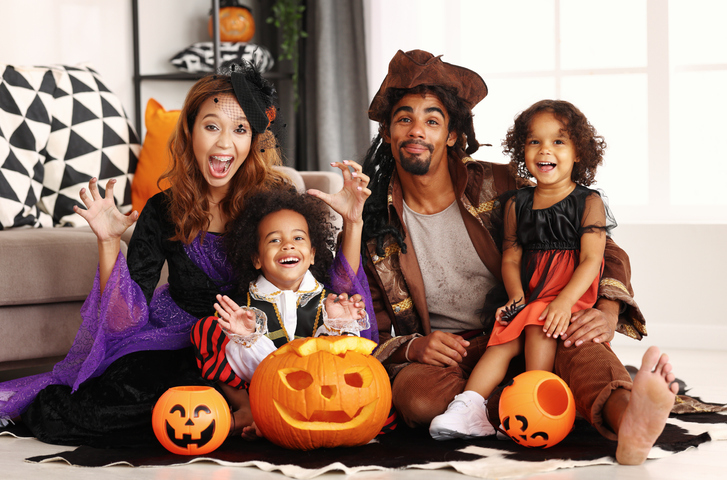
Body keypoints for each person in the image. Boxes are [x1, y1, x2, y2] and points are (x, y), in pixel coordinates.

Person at [0, 62, 370, 447]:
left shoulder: (273, 201)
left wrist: (353, 222)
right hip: (177, 340)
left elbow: (331, 290)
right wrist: (109, 242)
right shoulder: (162, 208)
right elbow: (123, 321)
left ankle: (243, 409)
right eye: (212, 126)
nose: (225, 143)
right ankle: (244, 413)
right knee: (100, 409)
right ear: (191, 131)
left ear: (254, 140)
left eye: (240, 129)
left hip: (265, 341)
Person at [362, 49, 678, 465]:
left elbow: (601, 248)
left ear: (453, 135)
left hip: (537, 324)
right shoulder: (374, 225)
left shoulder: (502, 183)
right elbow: (371, 325)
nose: (417, 130)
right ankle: (538, 401)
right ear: (388, 131)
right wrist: (415, 347)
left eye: (432, 120)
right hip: (456, 355)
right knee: (416, 398)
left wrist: (606, 307)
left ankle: (630, 422)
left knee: (581, 346)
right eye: (405, 119)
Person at [429, 99, 617, 439]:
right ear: (522, 150)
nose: (545, 150)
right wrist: (516, 294)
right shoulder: (518, 202)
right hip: (532, 293)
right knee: (502, 337)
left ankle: (534, 403)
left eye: (558, 141)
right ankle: (469, 406)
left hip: (568, 294)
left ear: (579, 153)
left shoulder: (588, 202)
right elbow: (512, 256)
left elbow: (592, 260)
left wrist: (563, 301)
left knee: (537, 325)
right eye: (535, 141)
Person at [211, 188, 372, 438]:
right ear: (256, 258)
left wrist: (339, 326)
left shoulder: (328, 302)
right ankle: (249, 410)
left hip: (316, 396)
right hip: (260, 392)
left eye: (298, 238)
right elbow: (242, 367)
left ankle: (272, 422)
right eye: (274, 240)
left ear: (312, 255)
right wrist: (247, 338)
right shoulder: (244, 308)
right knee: (209, 328)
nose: (287, 245)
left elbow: (337, 364)